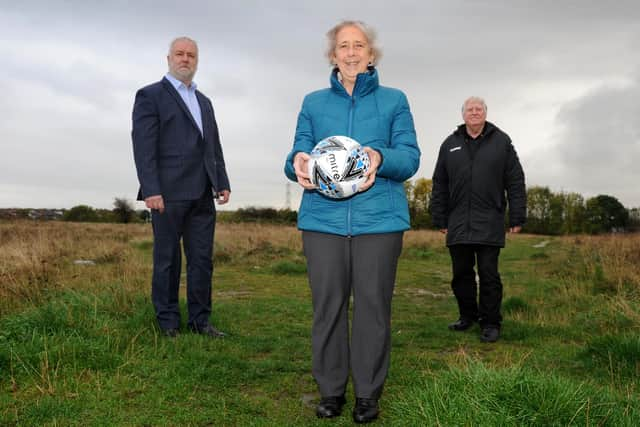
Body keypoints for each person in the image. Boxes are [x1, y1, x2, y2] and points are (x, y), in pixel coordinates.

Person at [284, 20, 420, 424]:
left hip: (379, 220)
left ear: (371, 54)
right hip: (322, 221)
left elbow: (409, 156)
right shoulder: (313, 103)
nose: (351, 52)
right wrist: (297, 163)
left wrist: (379, 157)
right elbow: (296, 153)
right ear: (333, 55)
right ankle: (330, 391)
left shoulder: (395, 100)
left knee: (373, 309)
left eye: (359, 45)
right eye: (343, 45)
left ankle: (367, 394)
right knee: (327, 307)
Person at [132, 37, 231, 339]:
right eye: (180, 54)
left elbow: (213, 145)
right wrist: (151, 189)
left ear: (196, 60)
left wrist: (222, 181)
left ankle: (201, 321)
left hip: (203, 193)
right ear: (169, 58)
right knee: (168, 260)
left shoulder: (205, 102)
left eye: (191, 55)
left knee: (202, 260)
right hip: (167, 194)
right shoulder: (150, 95)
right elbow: (143, 146)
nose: (185, 59)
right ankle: (168, 323)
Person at [430, 96, 526, 343]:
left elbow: (515, 181)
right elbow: (439, 183)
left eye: (479, 109)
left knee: (489, 275)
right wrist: (439, 217)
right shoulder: (449, 144)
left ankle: (491, 322)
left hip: (489, 221)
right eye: (470, 109)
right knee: (461, 274)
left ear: (485, 113)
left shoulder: (501, 142)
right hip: (458, 222)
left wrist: (516, 215)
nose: (474, 112)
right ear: (463, 115)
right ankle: (467, 316)